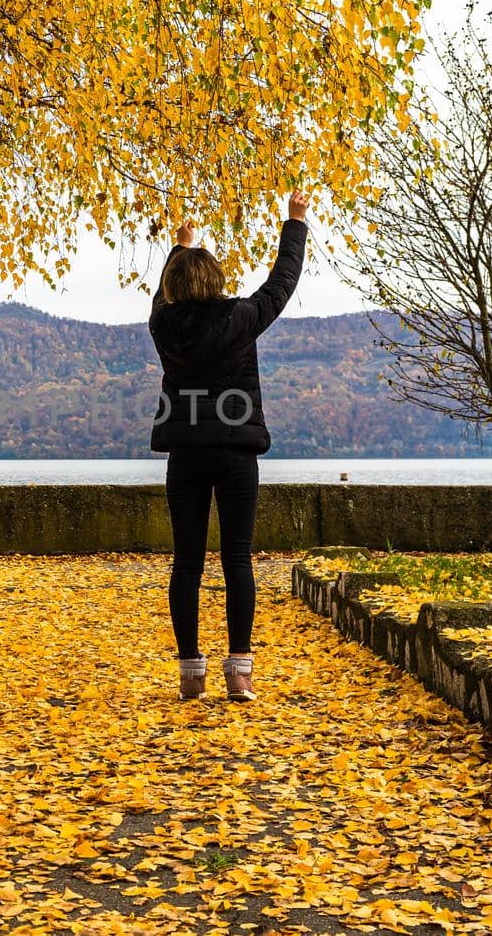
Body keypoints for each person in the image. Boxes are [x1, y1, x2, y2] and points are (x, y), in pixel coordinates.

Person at [149, 191, 310, 702]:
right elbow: (281, 284)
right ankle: (239, 673)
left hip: (186, 455)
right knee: (237, 559)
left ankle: (190, 674)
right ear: (217, 281)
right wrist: (294, 223)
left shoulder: (163, 324)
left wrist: (180, 248)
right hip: (237, 452)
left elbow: (161, 295)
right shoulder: (240, 319)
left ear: (175, 285)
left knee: (187, 564)